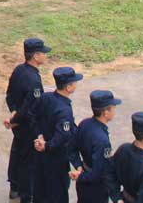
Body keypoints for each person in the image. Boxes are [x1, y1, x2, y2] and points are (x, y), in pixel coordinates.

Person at [4, 37, 52, 202]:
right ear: (36, 56)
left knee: (17, 153)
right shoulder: (34, 81)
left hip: (19, 124)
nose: (46, 56)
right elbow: (31, 107)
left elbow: (9, 95)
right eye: (43, 53)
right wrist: (16, 119)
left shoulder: (19, 70)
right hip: (28, 126)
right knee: (28, 162)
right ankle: (26, 194)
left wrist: (13, 114)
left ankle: (14, 187)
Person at [32, 67, 83, 203]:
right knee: (58, 193)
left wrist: (40, 136)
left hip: (40, 155)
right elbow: (62, 137)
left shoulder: (46, 97)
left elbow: (34, 117)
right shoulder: (64, 110)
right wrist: (47, 146)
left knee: (40, 190)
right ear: (68, 87)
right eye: (74, 82)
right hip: (56, 158)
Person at [71, 90, 123, 203]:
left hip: (83, 180)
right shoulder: (102, 141)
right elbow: (98, 172)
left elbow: (72, 147)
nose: (115, 110)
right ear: (105, 112)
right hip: (96, 188)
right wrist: (80, 176)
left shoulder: (85, 124)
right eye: (113, 107)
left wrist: (79, 167)